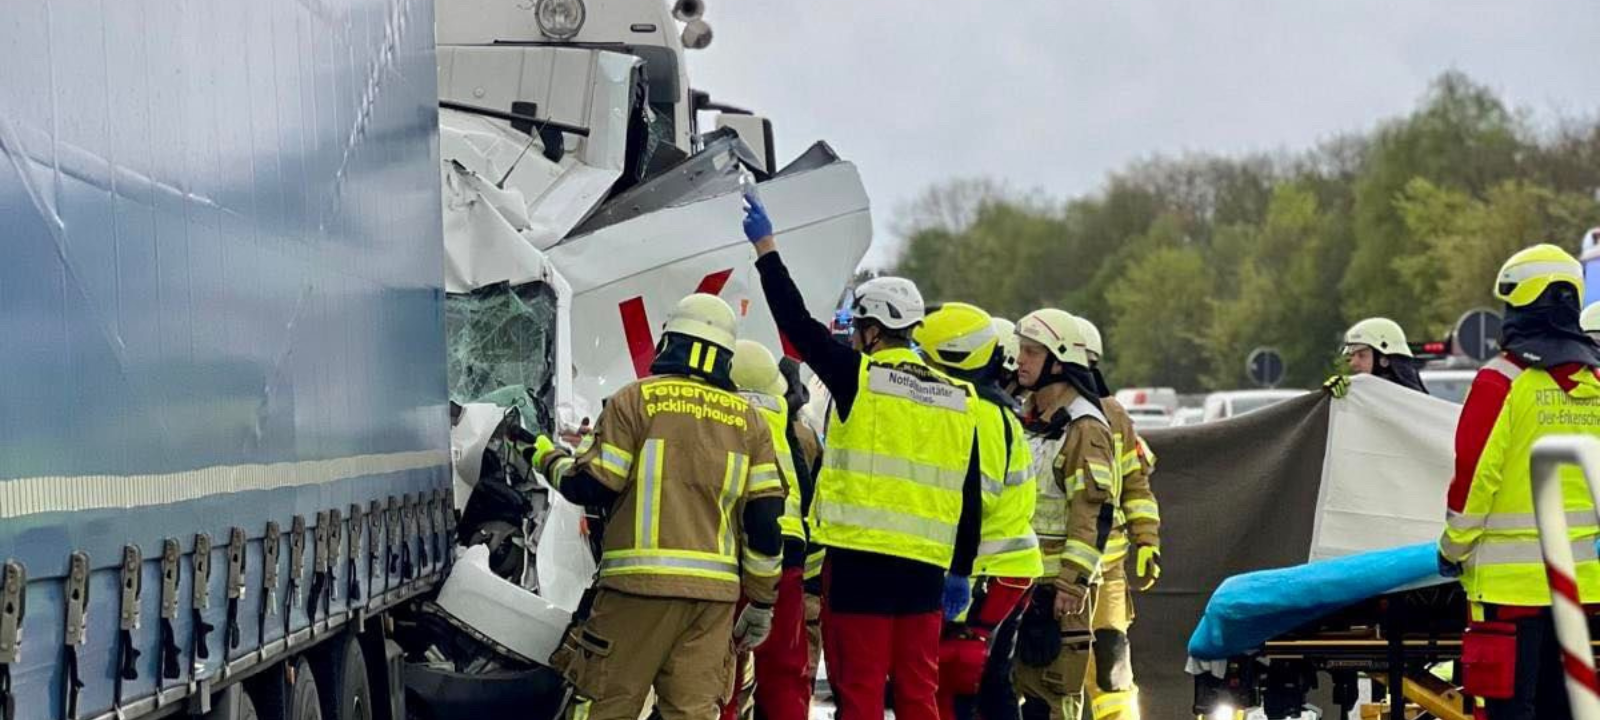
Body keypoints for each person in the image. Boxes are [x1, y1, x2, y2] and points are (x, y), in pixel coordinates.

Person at [744, 194, 984, 720]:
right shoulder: (958, 396)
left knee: (860, 694)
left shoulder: (861, 377)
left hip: (859, 566)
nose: (853, 335)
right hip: (925, 571)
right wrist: (960, 568)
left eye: (857, 327)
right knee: (920, 696)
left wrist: (766, 248)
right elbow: (970, 494)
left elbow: (796, 321)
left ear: (872, 330)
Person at [528, 293, 787, 720]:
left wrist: (542, 456)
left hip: (636, 590)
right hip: (711, 603)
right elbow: (764, 523)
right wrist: (761, 603)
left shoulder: (635, 400)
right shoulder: (750, 423)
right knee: (691, 712)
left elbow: (590, 486)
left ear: (668, 342)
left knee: (603, 706)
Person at [1436, 244, 1600, 719]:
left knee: (1510, 710)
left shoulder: (1501, 381)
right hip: (1579, 587)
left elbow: (1473, 477)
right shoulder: (1595, 383)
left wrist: (1453, 550)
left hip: (1511, 592)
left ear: (1524, 304)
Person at [914, 303, 1043, 720]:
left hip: (987, 568)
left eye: (925, 357)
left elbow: (972, 502)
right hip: (1000, 567)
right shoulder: (993, 409)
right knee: (986, 680)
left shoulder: (979, 415)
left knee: (963, 678)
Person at [1010, 308, 1121, 720]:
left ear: (1059, 361)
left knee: (1049, 706)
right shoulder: (1026, 416)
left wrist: (1070, 587)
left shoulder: (1084, 427)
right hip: (1013, 584)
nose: (1019, 359)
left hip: (1055, 597)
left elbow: (1091, 515)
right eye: (1021, 350)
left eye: (1031, 352)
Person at [1076, 317, 1160, 720]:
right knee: (1045, 672)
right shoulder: (1031, 413)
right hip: (1050, 573)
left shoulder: (1113, 416)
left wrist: (1147, 541)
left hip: (1106, 568)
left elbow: (1135, 485)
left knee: (1112, 667)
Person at [730, 341, 814, 720]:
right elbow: (812, 498)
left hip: (730, 555)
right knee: (783, 673)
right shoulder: (791, 424)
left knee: (720, 670)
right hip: (789, 557)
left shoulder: (717, 413)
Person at [1325, 318, 1429, 396]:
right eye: (1351, 356)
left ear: (1384, 360)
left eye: (1362, 355)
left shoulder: (1409, 401)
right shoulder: (1360, 394)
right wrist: (1333, 398)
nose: (1353, 363)